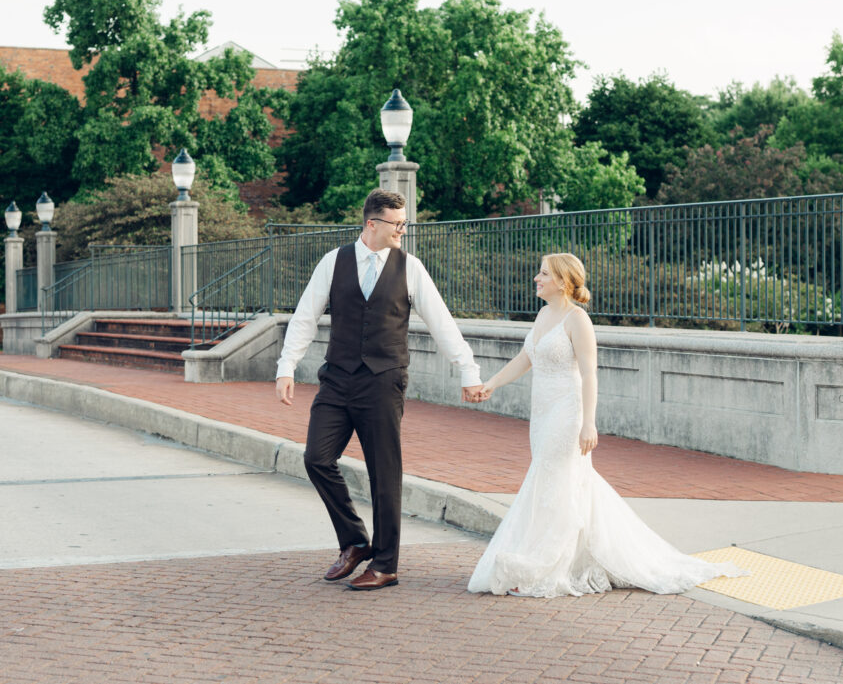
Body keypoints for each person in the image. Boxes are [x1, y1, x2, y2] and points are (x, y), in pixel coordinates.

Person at [468, 253, 746, 597]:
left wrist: (588, 423)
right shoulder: (542, 315)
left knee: (555, 478)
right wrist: (491, 383)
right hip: (541, 413)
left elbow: (589, 373)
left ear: (563, 281)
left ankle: (548, 561)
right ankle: (568, 554)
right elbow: (526, 358)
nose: (536, 279)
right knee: (559, 481)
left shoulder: (577, 319)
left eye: (543, 274)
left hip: (568, 413)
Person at [276, 188, 483, 591]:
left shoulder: (411, 267)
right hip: (337, 379)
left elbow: (443, 324)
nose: (403, 231)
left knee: (384, 474)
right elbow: (305, 317)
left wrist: (468, 371)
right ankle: (355, 541)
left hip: (384, 380)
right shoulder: (333, 262)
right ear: (372, 224)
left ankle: (386, 563)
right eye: (398, 224)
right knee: (317, 458)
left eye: (405, 223)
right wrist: (287, 366)